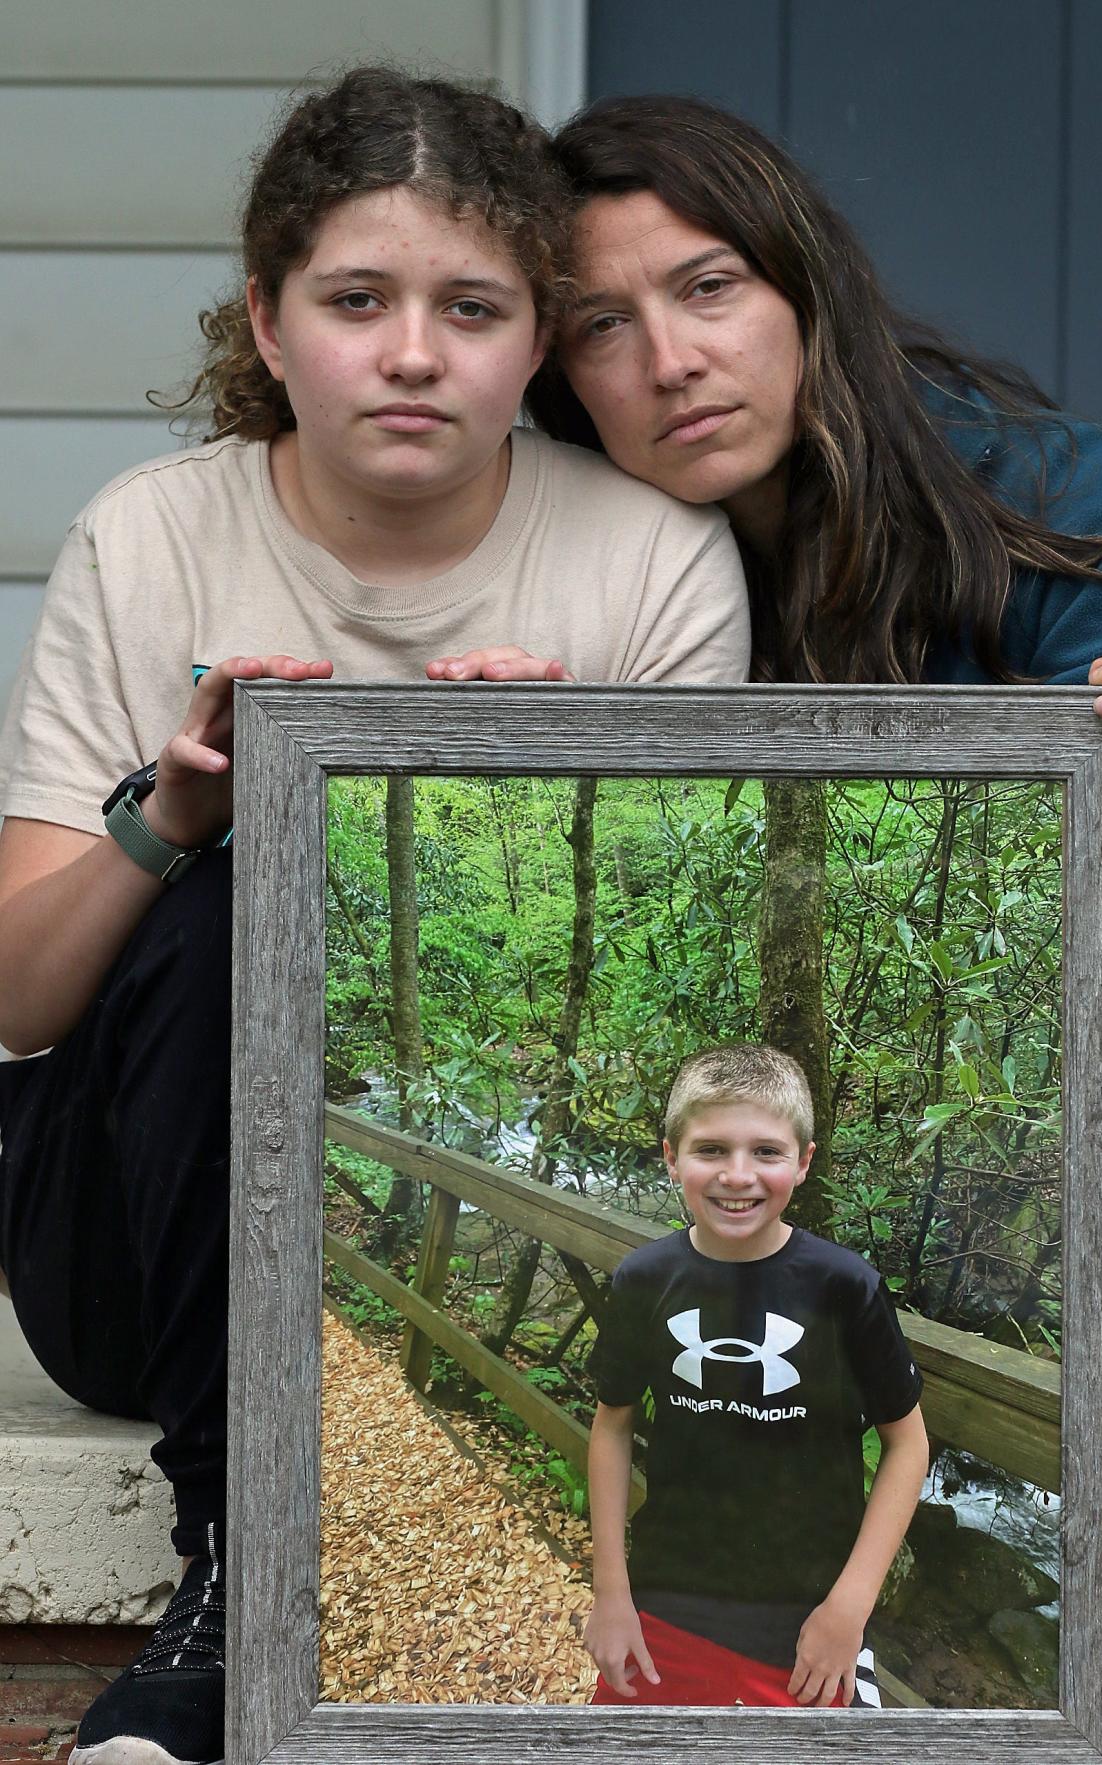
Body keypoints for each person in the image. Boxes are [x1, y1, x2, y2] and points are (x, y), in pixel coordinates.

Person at [0, 69, 749, 1765]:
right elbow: (24, 1001)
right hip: (136, 1238)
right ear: (268, 325)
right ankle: (231, 1584)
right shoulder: (153, 536)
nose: (412, 352)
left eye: (471, 308)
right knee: (239, 873)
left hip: (503, 1239)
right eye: (356, 300)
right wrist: (166, 813)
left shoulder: (647, 565)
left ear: (533, 342)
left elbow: (688, 1053)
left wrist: (567, 798)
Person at [512, 93, 1102, 1743]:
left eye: (708, 289)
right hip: (783, 1277)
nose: (670, 359)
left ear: (802, 290)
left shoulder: (1030, 492)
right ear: (560, 378)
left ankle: (1041, 1637)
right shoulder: (570, 548)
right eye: (603, 328)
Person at [585, 1042, 927, 1708]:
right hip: (667, 1597)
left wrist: (849, 1608)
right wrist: (612, 1591)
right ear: (670, 1156)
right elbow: (612, 1426)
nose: (738, 1174)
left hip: (810, 1610)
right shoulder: (644, 1279)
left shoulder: (844, 1287)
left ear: (803, 1162)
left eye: (766, 1151)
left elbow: (907, 1443)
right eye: (711, 1149)